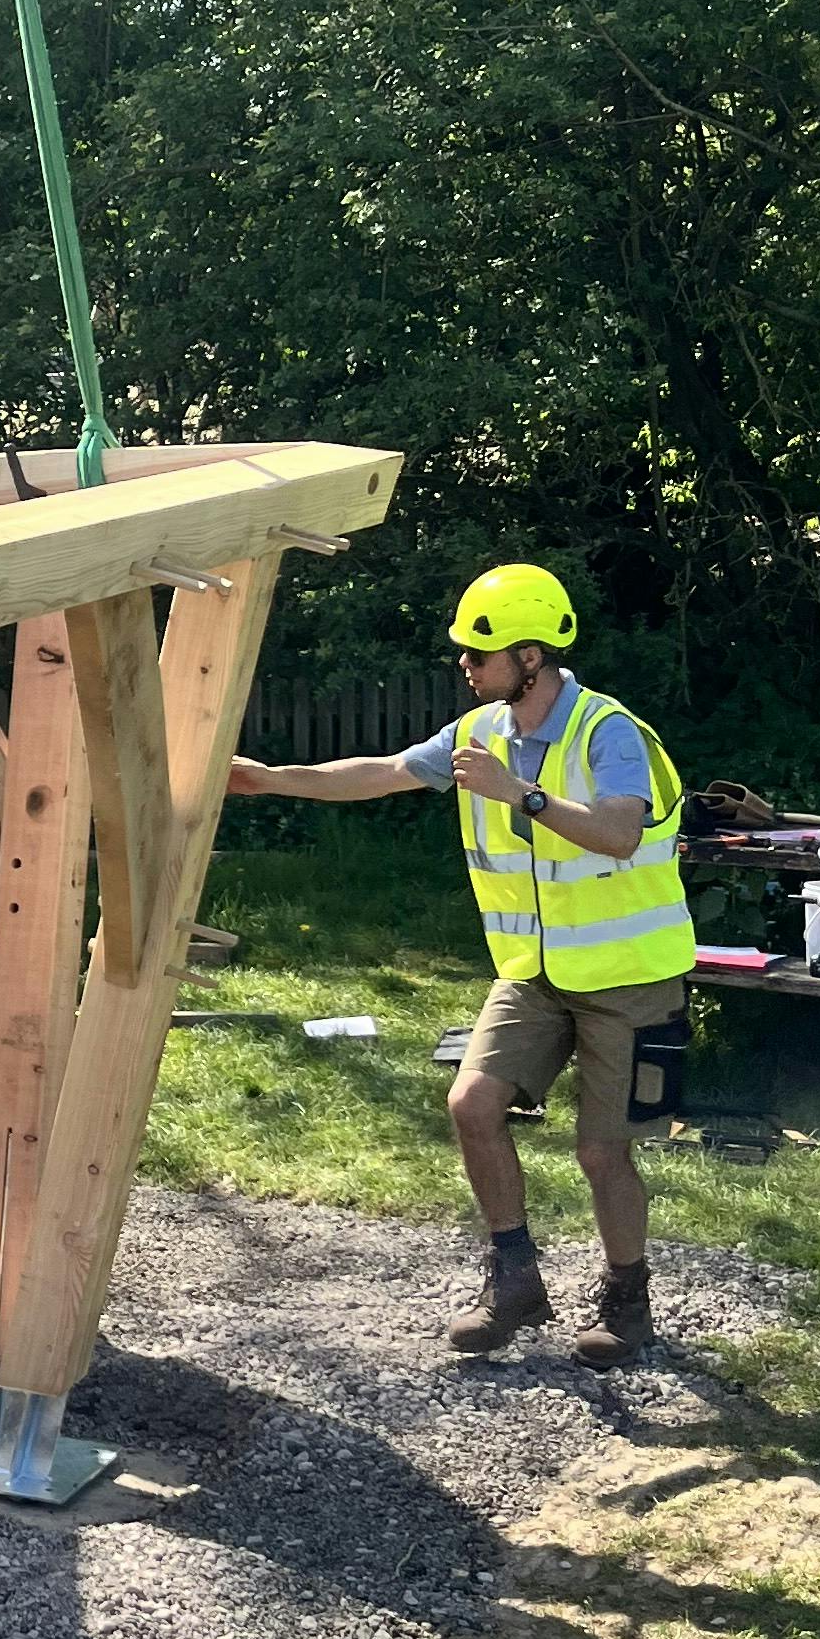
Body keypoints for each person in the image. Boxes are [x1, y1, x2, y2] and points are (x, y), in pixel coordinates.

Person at [226, 564, 695, 1368]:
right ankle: (514, 1279)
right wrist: (270, 781)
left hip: (630, 978)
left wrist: (524, 796)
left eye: (480, 656)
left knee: (600, 1151)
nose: (466, 669)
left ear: (532, 658)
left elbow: (619, 834)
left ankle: (628, 1297)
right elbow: (379, 771)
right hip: (534, 973)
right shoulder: (480, 733)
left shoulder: (610, 732)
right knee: (472, 1103)